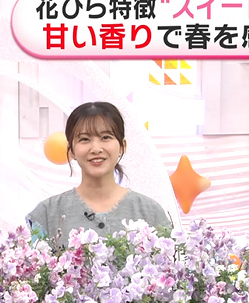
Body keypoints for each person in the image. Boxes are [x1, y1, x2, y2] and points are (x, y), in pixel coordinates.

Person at [27, 101, 171, 250]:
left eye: (106, 137)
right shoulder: (46, 214)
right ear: (71, 150)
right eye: (84, 139)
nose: (96, 149)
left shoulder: (150, 213)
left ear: (122, 146)